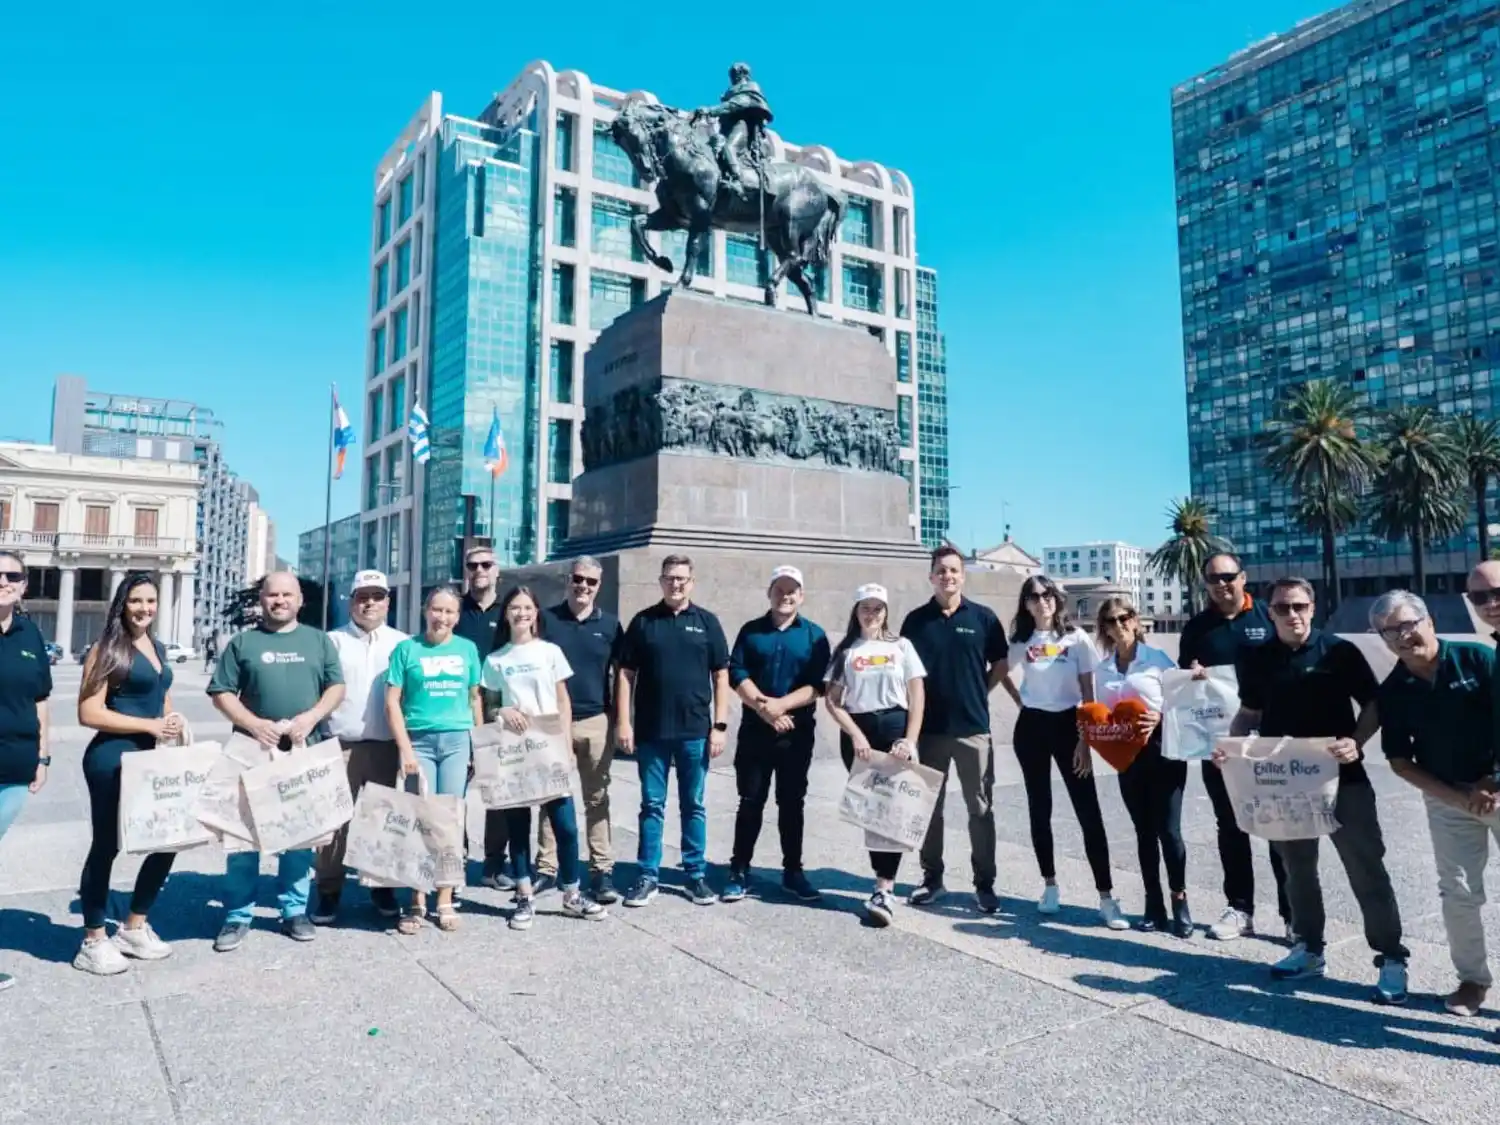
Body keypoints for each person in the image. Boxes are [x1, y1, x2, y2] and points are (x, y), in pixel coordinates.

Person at [1222, 576, 1408, 1003]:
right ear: (1270, 613)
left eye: (1300, 606)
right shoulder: (1258, 657)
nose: (1293, 615)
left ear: (1314, 607)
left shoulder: (1339, 651)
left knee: (1366, 868)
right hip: (1285, 782)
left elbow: (1374, 705)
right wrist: (1230, 752)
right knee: (1297, 870)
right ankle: (1308, 948)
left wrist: (1355, 743)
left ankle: (1391, 956)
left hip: (1343, 778)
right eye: (1283, 608)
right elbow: (1249, 713)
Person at [1372, 590, 1497, 1016]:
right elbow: (1400, 762)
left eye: (1408, 624)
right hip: (1449, 799)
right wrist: (1460, 798)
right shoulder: (1394, 689)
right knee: (1458, 893)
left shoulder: (1477, 658)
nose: (1403, 636)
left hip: (1496, 783)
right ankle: (1473, 981)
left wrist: (1491, 780)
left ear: (1429, 621)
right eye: (1390, 632)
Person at [207, 571, 345, 952]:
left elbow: (336, 686)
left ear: (300, 600)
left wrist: (311, 718)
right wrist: (254, 724)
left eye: (287, 594)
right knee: (242, 837)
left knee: (299, 835)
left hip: (303, 749)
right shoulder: (243, 643)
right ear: (262, 600)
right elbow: (221, 692)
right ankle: (237, 915)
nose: (279, 601)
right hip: (252, 749)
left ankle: (293, 910)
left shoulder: (318, 641)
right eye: (272, 595)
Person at [1003, 573, 1127, 929]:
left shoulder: (1076, 638)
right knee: (1039, 808)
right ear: (1026, 603)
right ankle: (1050, 886)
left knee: (1088, 811)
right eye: (1034, 596)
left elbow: (1089, 693)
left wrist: (1085, 741)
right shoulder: (1022, 641)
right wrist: (1021, 700)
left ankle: (1105, 896)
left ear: (1057, 600)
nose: (1042, 601)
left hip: (1070, 727)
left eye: (1048, 595)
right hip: (1032, 728)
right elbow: (1000, 672)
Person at [73, 575, 182, 974]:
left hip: (153, 759)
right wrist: (149, 727)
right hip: (113, 758)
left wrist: (171, 719)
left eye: (150, 601)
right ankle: (93, 939)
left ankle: (134, 926)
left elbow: (160, 694)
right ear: (122, 604)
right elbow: (89, 713)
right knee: (107, 846)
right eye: (136, 600)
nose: (144, 608)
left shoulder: (156, 647)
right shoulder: (106, 648)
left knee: (169, 838)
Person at [1177, 552, 1287, 942]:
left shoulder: (1268, 619)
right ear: (1205, 583)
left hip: (1269, 741)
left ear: (1244, 577)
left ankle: (1293, 914)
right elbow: (1185, 683)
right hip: (1220, 744)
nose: (1221, 584)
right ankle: (1240, 908)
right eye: (1213, 578)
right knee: (1230, 824)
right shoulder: (1197, 628)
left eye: (1228, 576)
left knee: (1278, 824)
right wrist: (1192, 677)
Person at [482, 585, 607, 929]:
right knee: (518, 827)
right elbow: (488, 704)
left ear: (536, 613)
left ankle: (571, 893)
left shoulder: (550, 652)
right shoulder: (496, 659)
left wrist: (565, 744)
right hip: (514, 752)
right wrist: (504, 710)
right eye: (515, 608)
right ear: (505, 614)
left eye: (527, 607)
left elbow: (563, 701)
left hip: (548, 747)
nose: (521, 613)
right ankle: (524, 895)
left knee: (565, 825)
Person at [899, 545, 1009, 915]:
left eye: (954, 571)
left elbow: (1001, 664)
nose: (948, 576)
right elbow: (905, 673)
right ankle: (932, 879)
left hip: (972, 730)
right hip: (929, 731)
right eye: (941, 571)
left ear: (963, 576)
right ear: (931, 577)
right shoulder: (915, 621)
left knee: (980, 809)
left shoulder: (983, 618)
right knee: (928, 808)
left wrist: (979, 691)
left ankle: (985, 884)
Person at [615, 554, 730, 908]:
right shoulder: (644, 622)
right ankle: (648, 875)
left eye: (682, 578)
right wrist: (624, 721)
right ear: (661, 581)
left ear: (691, 582)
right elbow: (625, 673)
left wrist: (720, 725)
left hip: (696, 731)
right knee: (652, 805)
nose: (676, 584)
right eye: (669, 578)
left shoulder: (707, 622)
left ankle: (694, 874)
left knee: (693, 804)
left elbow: (721, 675)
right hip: (652, 731)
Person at [722, 565, 831, 904]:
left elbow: (818, 684)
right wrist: (763, 708)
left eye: (792, 590)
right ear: (769, 592)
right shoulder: (751, 631)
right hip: (756, 730)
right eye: (780, 589)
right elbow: (736, 672)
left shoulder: (815, 635)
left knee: (792, 803)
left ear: (802, 595)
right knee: (750, 801)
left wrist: (781, 706)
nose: (786, 595)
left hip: (795, 734)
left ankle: (793, 872)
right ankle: (739, 870)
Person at [822, 584, 926, 926]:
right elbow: (833, 701)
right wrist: (855, 734)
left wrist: (909, 740)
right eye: (866, 607)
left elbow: (917, 696)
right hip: (859, 730)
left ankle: (885, 887)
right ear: (856, 610)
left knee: (893, 810)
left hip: (894, 724)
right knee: (873, 811)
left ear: (886, 611)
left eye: (878, 608)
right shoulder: (847, 650)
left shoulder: (902, 646)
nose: (872, 614)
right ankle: (881, 881)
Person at [1092, 595, 1191, 937]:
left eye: (1124, 618)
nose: (1118, 625)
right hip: (1128, 757)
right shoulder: (1103, 671)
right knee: (1144, 832)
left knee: (1170, 830)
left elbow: (1183, 700)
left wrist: (1160, 714)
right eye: (1110, 621)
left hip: (1164, 750)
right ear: (1103, 629)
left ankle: (1180, 899)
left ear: (1135, 620)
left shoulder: (1157, 659)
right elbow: (1102, 715)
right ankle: (1154, 903)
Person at [385, 586, 482, 934]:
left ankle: (444, 898)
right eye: (436, 610)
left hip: (457, 741)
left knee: (450, 821)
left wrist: (479, 745)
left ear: (457, 616)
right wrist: (405, 749)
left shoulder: (468, 649)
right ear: (425, 610)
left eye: (449, 612)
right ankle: (415, 901)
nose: (442, 617)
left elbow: (474, 699)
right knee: (419, 820)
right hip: (419, 742)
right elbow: (392, 702)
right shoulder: (406, 649)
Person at [313, 569, 407, 925]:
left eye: (377, 596)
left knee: (383, 820)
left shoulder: (402, 643)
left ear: (387, 601)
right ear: (351, 601)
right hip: (340, 744)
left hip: (385, 746)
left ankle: (380, 887)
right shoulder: (331, 642)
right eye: (362, 596)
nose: (370, 603)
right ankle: (328, 891)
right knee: (334, 823)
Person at [535, 556, 624, 904]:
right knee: (550, 797)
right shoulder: (548, 621)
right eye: (578, 579)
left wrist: (621, 720)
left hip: (596, 720)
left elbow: (622, 676)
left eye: (590, 581)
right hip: (553, 721)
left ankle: (601, 870)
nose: (583, 586)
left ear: (599, 586)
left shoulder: (612, 625)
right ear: (567, 579)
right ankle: (547, 867)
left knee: (597, 797)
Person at [0, 551, 51, 991]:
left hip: (17, 765)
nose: (3, 580)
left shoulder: (31, 634)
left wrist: (44, 756)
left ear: (23, 585)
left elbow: (40, 700)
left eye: (11, 575)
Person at [454, 545, 510, 889]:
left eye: (486, 564)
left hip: (496, 703)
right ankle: (454, 855)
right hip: (457, 703)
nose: (479, 570)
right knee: (453, 787)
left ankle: (493, 864)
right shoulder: (454, 609)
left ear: (496, 570)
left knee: (498, 787)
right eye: (472, 565)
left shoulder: (509, 611)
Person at [692, 61, 774, 199]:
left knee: (729, 148)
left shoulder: (750, 87)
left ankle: (737, 181)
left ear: (743, 73)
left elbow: (736, 104)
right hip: (726, 127)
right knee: (711, 148)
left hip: (742, 126)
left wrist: (710, 110)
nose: (732, 77)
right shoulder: (730, 92)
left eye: (735, 73)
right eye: (731, 74)